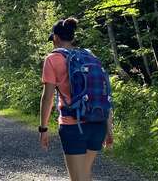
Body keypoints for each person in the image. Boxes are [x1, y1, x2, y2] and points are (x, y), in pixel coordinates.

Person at [38, 18, 114, 181]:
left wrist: (43, 129)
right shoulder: (89, 55)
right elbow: (103, 92)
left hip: (73, 126)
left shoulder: (52, 59)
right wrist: (109, 128)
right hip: (98, 123)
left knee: (78, 178)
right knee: (85, 175)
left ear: (56, 38)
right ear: (72, 38)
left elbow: (47, 98)